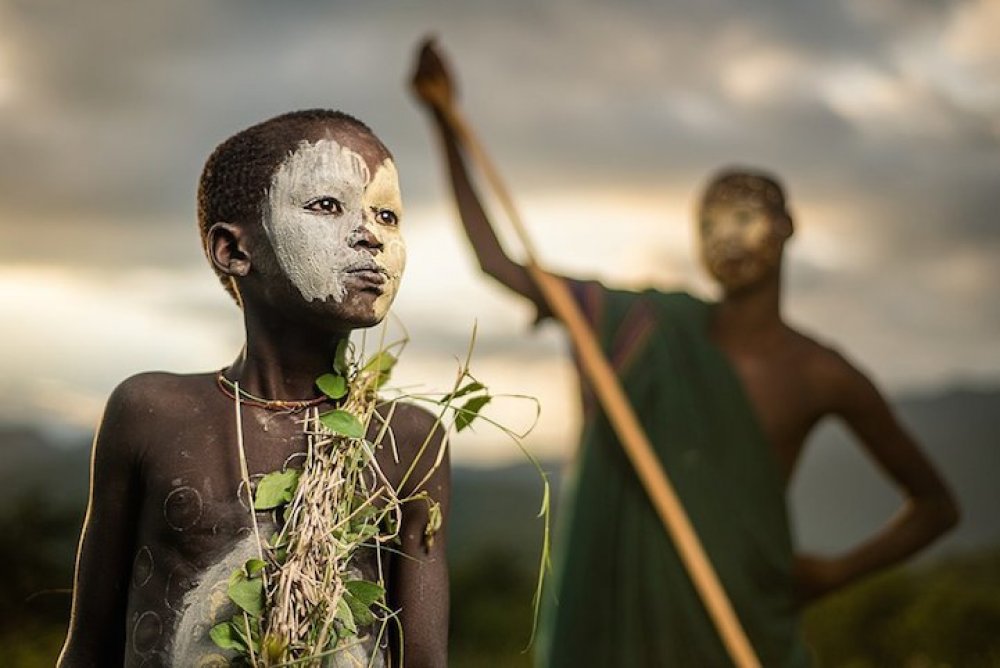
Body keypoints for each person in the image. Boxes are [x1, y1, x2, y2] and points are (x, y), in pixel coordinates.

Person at [410, 41, 958, 667]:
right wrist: (445, 122)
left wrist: (834, 573)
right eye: (711, 221)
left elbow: (936, 507)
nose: (729, 234)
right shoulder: (638, 327)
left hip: (746, 621)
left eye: (748, 213)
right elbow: (498, 261)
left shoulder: (822, 375)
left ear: (788, 227)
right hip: (619, 622)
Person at [58, 110, 449, 667]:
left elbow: (425, 661)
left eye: (387, 215)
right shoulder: (152, 413)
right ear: (234, 251)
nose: (370, 235)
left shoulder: (408, 440)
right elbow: (88, 647)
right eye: (326, 206)